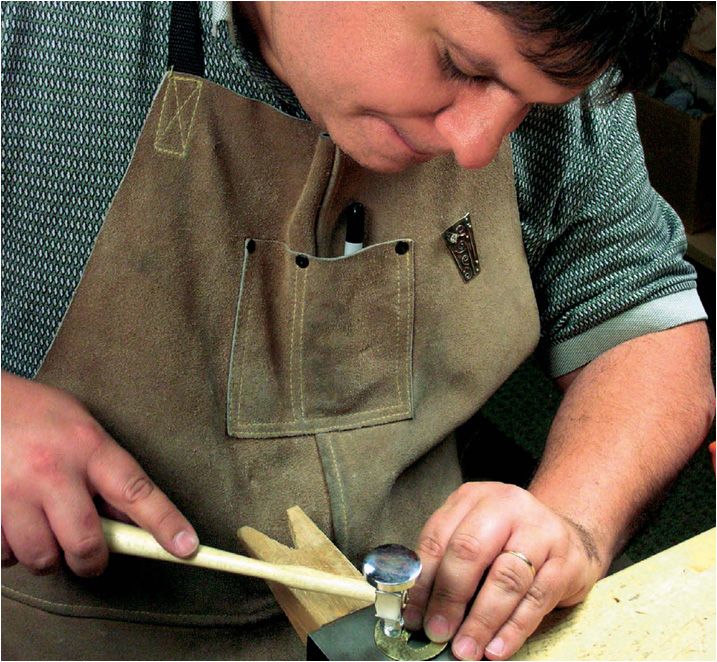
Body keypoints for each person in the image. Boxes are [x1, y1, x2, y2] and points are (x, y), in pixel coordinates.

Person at [1, 2, 714, 660]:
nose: (475, 144)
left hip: (410, 625)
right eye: (463, 68)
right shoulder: (44, 25)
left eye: (528, 107)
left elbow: (639, 317)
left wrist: (569, 523)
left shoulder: (551, 42)